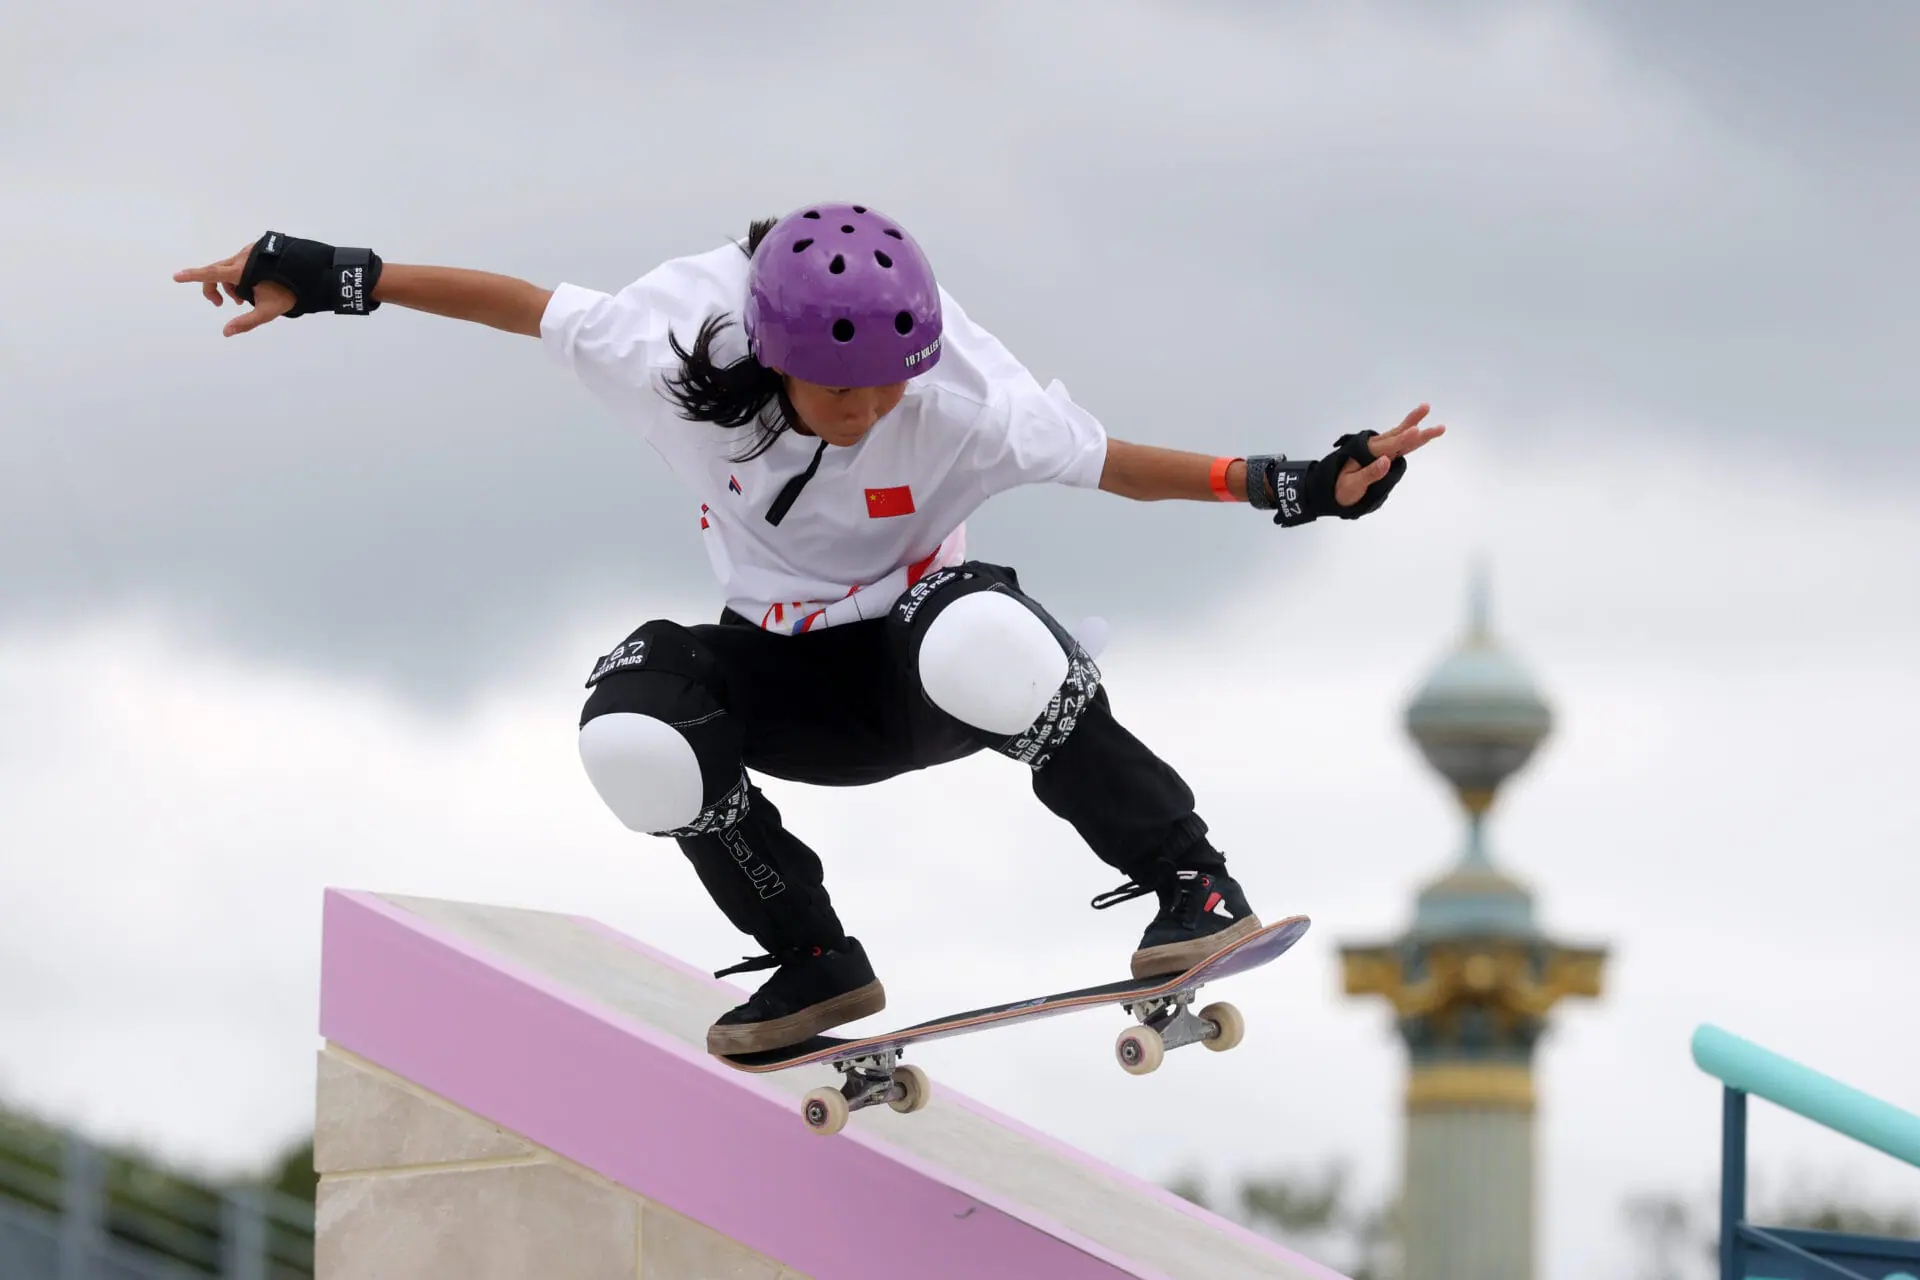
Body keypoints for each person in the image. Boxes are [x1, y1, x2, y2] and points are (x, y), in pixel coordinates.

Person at [175, 205, 1444, 1056]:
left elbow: (1119, 464)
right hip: (782, 679)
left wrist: (1295, 482)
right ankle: (811, 958)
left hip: (923, 664)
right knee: (634, 736)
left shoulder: (966, 400)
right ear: (773, 355)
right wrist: (339, 279)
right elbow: (521, 305)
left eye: (889, 384)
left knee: (978, 635)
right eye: (840, 389)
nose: (869, 407)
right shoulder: (669, 341)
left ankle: (1193, 884)